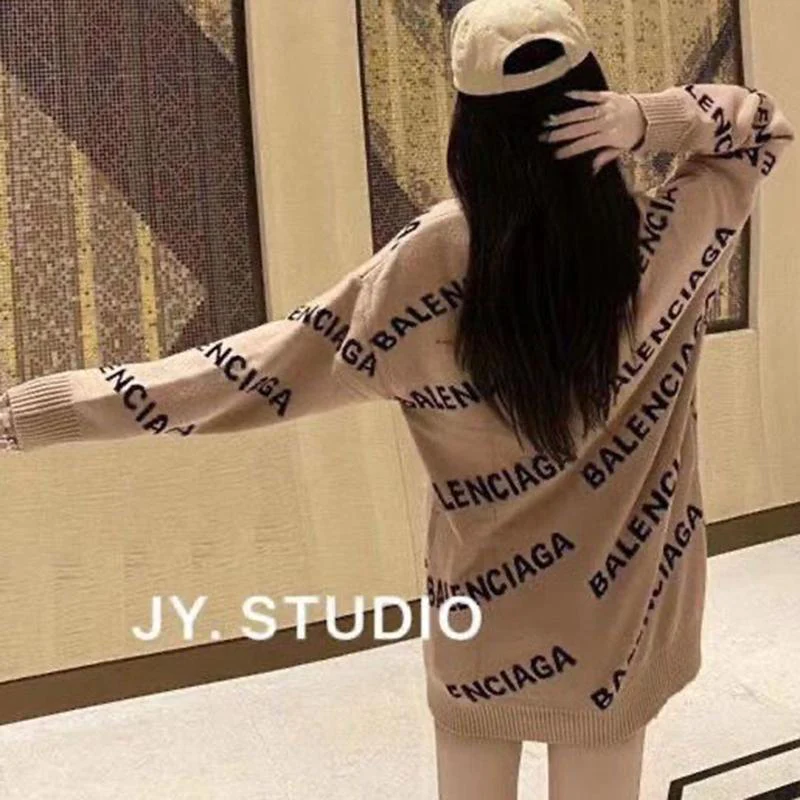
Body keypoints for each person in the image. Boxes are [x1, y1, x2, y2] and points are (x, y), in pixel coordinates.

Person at [0, 0, 795, 797]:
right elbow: (762, 127)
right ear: (596, 107)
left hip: (483, 622)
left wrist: (30, 414)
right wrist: (648, 119)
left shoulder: (425, 266)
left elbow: (240, 374)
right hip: (623, 619)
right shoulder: (674, 235)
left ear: (470, 135)